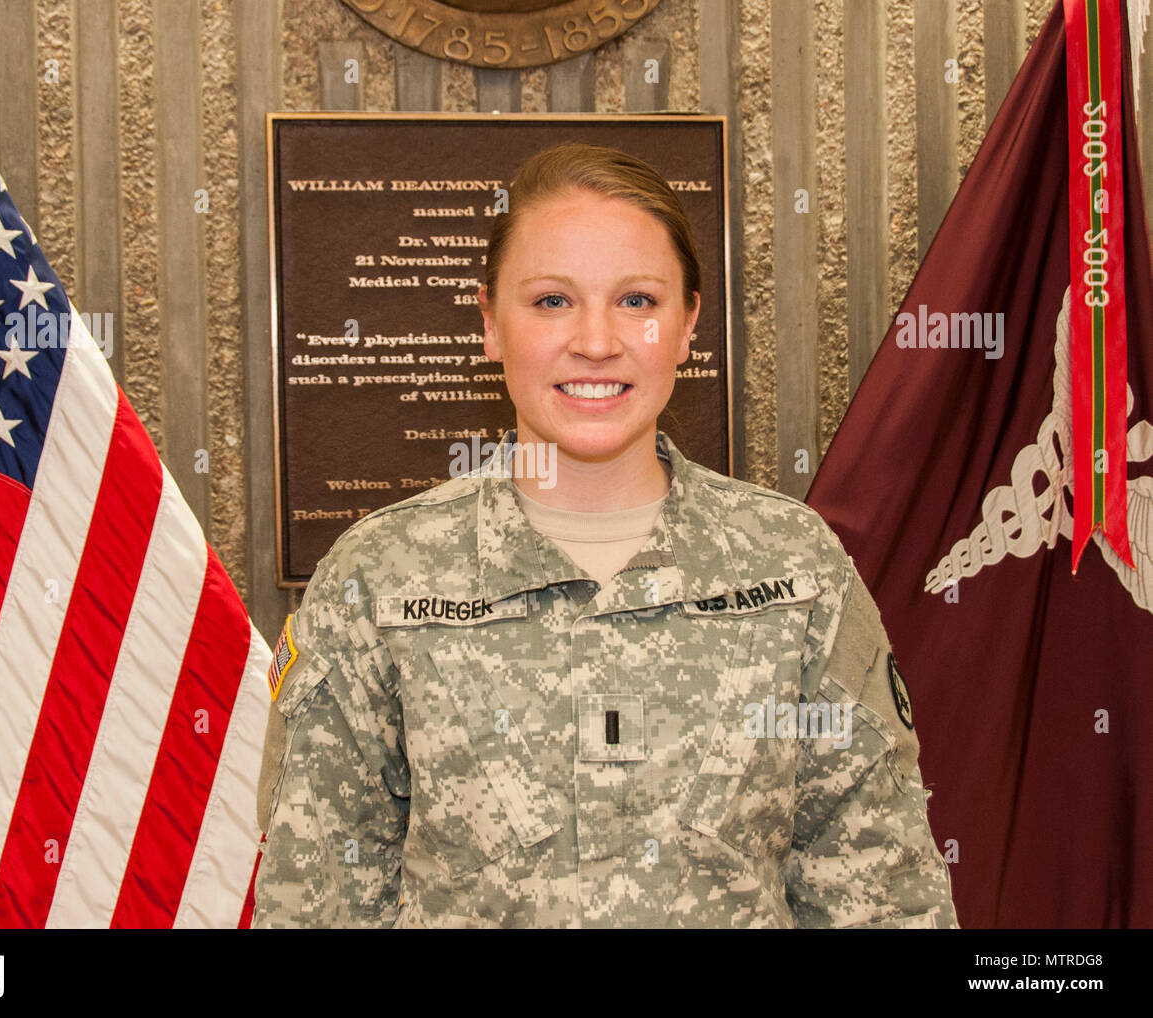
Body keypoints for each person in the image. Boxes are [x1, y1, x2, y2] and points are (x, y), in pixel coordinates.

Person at [252, 141, 959, 928]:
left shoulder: (794, 568)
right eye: (552, 300)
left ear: (689, 324)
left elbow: (883, 898)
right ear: (490, 324)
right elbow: (314, 904)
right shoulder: (378, 582)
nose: (596, 341)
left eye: (637, 301)